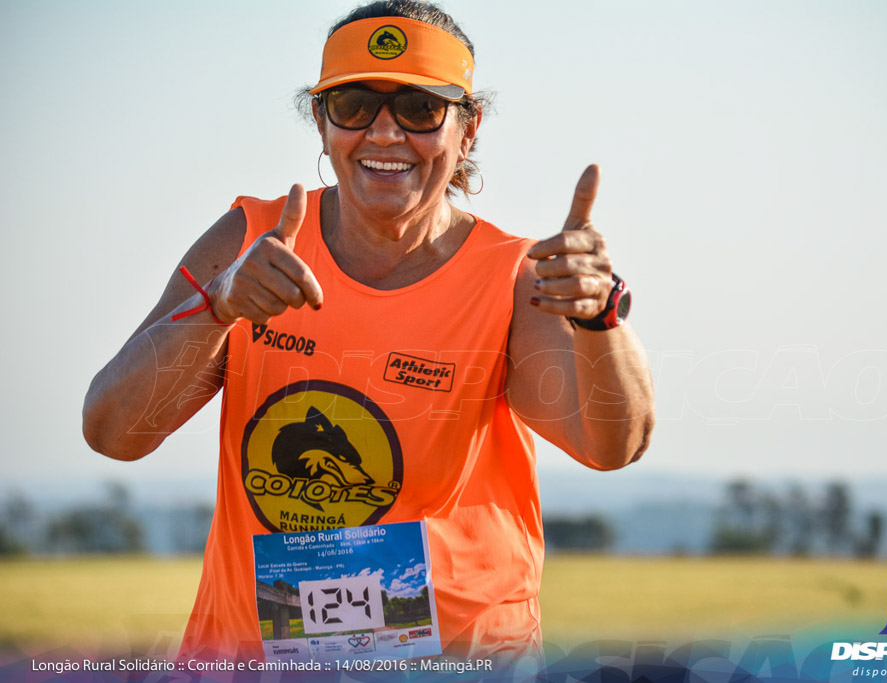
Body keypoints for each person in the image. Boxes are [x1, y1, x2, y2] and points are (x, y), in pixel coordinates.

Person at [83, 0, 654, 668]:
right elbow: (113, 431)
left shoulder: (514, 276)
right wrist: (217, 308)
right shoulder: (251, 241)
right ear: (321, 125)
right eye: (353, 105)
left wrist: (598, 319)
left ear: (467, 131)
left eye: (419, 109)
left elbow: (613, 443)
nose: (384, 134)